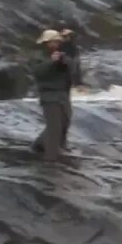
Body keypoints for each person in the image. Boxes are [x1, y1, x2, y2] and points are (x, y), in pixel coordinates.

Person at [31, 29, 73, 161]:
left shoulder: (62, 55)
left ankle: (40, 144)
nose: (57, 44)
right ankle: (50, 158)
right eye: (54, 41)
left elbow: (68, 71)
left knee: (65, 121)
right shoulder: (39, 56)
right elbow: (38, 72)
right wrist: (52, 62)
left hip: (62, 95)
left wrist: (63, 62)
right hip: (49, 96)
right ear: (46, 43)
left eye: (58, 41)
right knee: (54, 127)